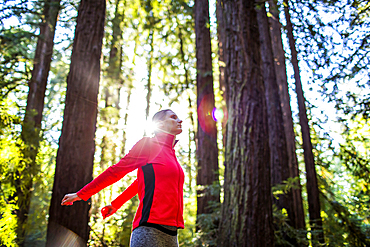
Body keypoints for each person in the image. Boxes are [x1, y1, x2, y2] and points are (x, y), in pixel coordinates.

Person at [61, 109, 184, 247]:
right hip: (149, 230)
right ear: (160, 125)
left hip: (172, 234)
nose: (180, 120)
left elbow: (140, 182)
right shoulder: (148, 145)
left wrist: (116, 204)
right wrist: (81, 194)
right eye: (173, 117)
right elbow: (116, 171)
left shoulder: (171, 154)